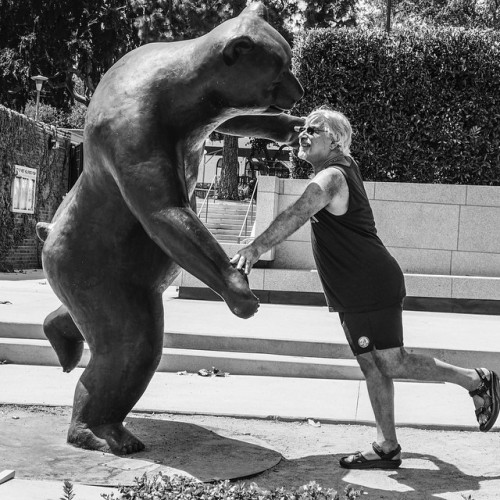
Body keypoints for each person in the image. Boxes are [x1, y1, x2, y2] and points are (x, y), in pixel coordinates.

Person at [230, 107, 500, 469]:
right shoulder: (341, 170)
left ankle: (477, 380)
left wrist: (254, 248)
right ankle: (387, 446)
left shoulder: (333, 176)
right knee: (373, 364)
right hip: (356, 290)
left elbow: (297, 212)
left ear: (336, 140)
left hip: (370, 285)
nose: (303, 135)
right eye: (303, 129)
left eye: (314, 129)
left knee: (391, 360)